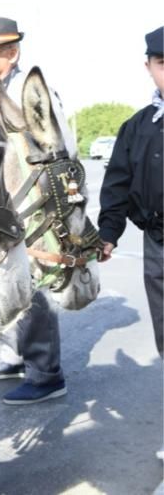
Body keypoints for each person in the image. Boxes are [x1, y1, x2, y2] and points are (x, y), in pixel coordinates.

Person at [0, 16, 67, 404]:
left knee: (34, 285)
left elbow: (52, 149)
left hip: (30, 200)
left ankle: (46, 374)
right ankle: (13, 355)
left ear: (13, 53)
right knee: (1, 282)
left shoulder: (32, 92)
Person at [98, 26, 163, 359]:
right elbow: (117, 184)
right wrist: (108, 233)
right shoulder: (137, 127)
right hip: (158, 242)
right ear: (149, 67)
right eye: (162, 62)